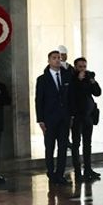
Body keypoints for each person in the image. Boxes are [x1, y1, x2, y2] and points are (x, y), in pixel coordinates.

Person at [35, 50, 72, 185]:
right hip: (50, 118)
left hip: (64, 118)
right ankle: (51, 173)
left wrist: (70, 115)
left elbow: (70, 97)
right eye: (54, 58)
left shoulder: (66, 76)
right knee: (49, 147)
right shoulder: (42, 79)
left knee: (62, 147)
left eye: (59, 58)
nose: (57, 60)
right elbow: (39, 100)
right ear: (49, 61)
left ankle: (60, 174)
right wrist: (40, 119)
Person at [69, 57, 102, 182]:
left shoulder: (89, 77)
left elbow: (97, 92)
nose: (83, 69)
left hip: (88, 116)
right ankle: (78, 171)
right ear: (76, 67)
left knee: (88, 144)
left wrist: (92, 81)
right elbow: (72, 94)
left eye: (84, 66)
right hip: (77, 116)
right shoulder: (72, 78)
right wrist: (78, 80)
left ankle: (88, 169)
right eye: (80, 67)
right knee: (76, 144)